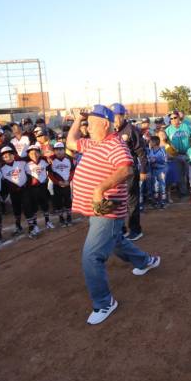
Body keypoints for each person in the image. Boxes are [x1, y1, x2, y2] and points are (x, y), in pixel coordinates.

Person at [65, 105, 161, 325]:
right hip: (97, 210)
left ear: (105, 124)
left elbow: (126, 169)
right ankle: (145, 261)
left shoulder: (115, 144)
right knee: (117, 241)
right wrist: (78, 120)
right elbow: (71, 141)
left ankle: (104, 302)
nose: (87, 128)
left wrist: (99, 189)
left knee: (91, 257)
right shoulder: (93, 142)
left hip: (107, 212)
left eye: (91, 123)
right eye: (86, 123)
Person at [111, 103, 148, 241]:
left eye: (117, 116)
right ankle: (122, 229)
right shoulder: (111, 131)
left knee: (131, 201)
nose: (115, 119)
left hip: (130, 170)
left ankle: (135, 229)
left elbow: (141, 152)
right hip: (115, 172)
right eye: (113, 116)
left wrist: (144, 170)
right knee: (118, 200)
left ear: (123, 115)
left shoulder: (131, 130)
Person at [48, 142, 74, 226]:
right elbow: (50, 174)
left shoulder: (69, 159)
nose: (59, 152)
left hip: (67, 184)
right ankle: (61, 218)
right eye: (56, 150)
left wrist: (69, 181)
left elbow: (72, 171)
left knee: (68, 201)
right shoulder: (51, 160)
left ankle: (69, 217)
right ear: (54, 151)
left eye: (61, 149)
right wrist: (57, 182)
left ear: (64, 150)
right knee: (58, 202)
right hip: (57, 185)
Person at [146, 135, 168, 209]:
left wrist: (156, 160)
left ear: (155, 142)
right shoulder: (150, 150)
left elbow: (165, 160)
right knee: (155, 186)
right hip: (153, 170)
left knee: (162, 186)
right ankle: (155, 202)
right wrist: (151, 161)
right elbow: (148, 159)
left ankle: (163, 203)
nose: (150, 143)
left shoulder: (162, 150)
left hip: (161, 170)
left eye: (151, 141)